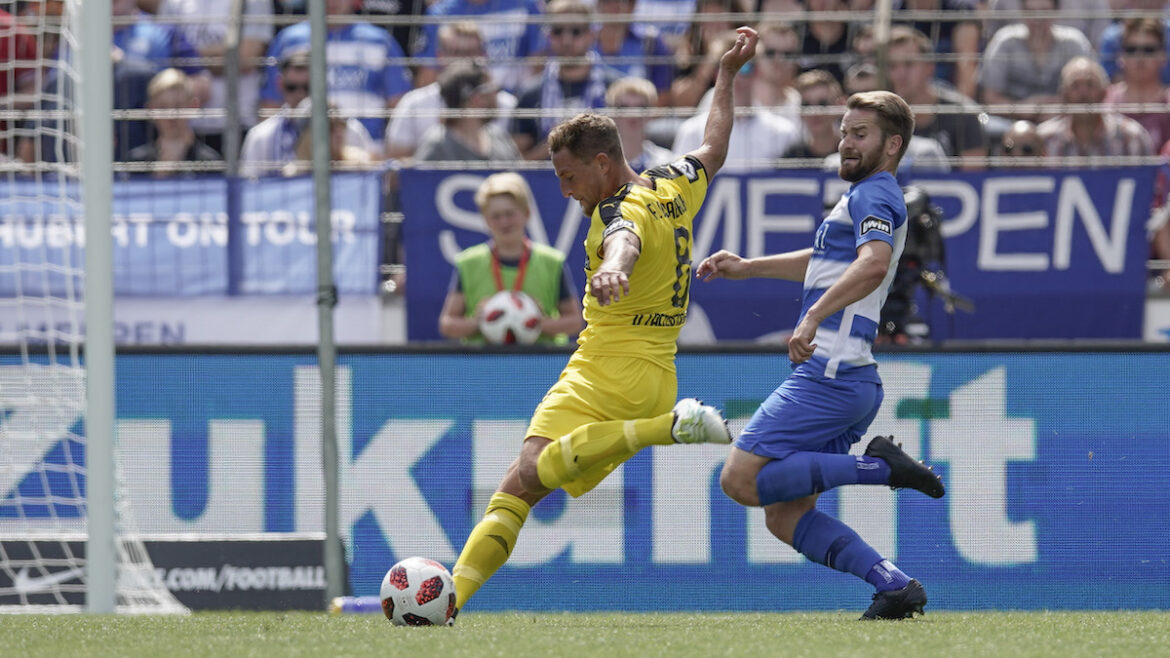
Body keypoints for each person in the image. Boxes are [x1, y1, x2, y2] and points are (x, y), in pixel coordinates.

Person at [450, 26, 760, 616]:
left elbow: (624, 238)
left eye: (568, 176)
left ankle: (669, 427)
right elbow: (714, 146)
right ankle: (450, 601)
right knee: (519, 483)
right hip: (646, 369)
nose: (564, 190)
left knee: (533, 469)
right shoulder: (671, 183)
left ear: (601, 162)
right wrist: (724, 77)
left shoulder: (621, 209)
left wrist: (615, 267)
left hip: (612, 367)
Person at [695, 89, 946, 621]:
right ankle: (894, 585)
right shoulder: (866, 196)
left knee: (739, 479)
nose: (846, 143)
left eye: (861, 134)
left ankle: (880, 468)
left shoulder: (875, 194)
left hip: (830, 373)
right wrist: (749, 267)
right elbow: (828, 261)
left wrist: (811, 316)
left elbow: (872, 264)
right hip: (850, 379)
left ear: (892, 145)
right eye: (844, 132)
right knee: (784, 516)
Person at [438, 172, 583, 344]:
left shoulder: (551, 261)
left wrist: (535, 322)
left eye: (510, 214)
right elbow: (447, 324)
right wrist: (481, 321)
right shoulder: (469, 262)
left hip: (540, 358)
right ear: (485, 220)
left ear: (526, 213)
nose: (504, 222)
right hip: (484, 359)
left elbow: (575, 322)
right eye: (496, 216)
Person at [258, 0, 412, 145]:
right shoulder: (288, 41)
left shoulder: (381, 41)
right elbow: (270, 104)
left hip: (367, 153)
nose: (332, 2)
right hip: (300, 152)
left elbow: (398, 107)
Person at [153, 0, 274, 154]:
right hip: (188, 129)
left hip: (237, 123)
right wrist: (221, 54)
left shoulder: (252, 2)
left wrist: (189, 57)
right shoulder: (173, 3)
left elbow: (246, 57)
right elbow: (164, 54)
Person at [384, 22, 517, 161]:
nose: (464, 60)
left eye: (471, 52)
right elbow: (397, 163)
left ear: (484, 55)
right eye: (456, 52)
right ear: (440, 56)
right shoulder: (414, 104)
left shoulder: (507, 105)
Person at [510, 0, 624, 161]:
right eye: (558, 31)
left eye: (576, 31)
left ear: (592, 34)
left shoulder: (616, 88)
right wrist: (561, 141)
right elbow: (519, 161)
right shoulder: (530, 93)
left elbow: (629, 150)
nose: (566, 40)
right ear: (548, 35)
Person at [671, 32, 799, 171]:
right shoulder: (692, 131)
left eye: (744, 67)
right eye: (725, 69)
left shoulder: (783, 132)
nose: (735, 75)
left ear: (757, 71)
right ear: (715, 74)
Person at [239, 52, 376, 177]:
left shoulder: (349, 130)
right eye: (292, 87)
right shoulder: (262, 136)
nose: (300, 94)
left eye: (308, 87)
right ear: (280, 84)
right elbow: (251, 187)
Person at [885, 26, 987, 170]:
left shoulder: (963, 114)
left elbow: (974, 176)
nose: (900, 74)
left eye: (909, 64)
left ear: (930, 67)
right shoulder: (882, 118)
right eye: (893, 66)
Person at [978, 0, 1092, 122]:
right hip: (1010, 122)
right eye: (1031, 11)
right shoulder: (1005, 42)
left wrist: (1060, 107)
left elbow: (1093, 88)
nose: (1037, 18)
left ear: (1056, 12)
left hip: (1065, 123)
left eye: (1044, 11)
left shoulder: (1074, 43)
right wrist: (1021, 109)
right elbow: (990, 97)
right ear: (1022, 12)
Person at [1037, 57, 1155, 160]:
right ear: (1064, 95)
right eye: (1075, 86)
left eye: (1090, 85)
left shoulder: (1132, 138)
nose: (1083, 93)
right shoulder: (1044, 140)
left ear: (1104, 93)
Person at [414, 60, 522, 162]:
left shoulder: (499, 138)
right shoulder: (436, 147)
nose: (496, 95)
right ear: (477, 99)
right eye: (492, 89)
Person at [126, 68, 222, 177]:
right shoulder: (135, 162)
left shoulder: (211, 162)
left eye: (178, 106)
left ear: (193, 106)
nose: (171, 115)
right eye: (163, 107)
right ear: (150, 111)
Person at [1104, 17, 1170, 152]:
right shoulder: (1105, 101)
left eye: (1149, 50)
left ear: (1163, 56)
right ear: (1120, 56)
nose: (1140, 57)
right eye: (1131, 50)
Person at [605, 76, 675, 172]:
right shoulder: (598, 164)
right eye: (624, 107)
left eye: (641, 107)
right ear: (611, 113)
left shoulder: (668, 162)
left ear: (652, 113)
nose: (633, 114)